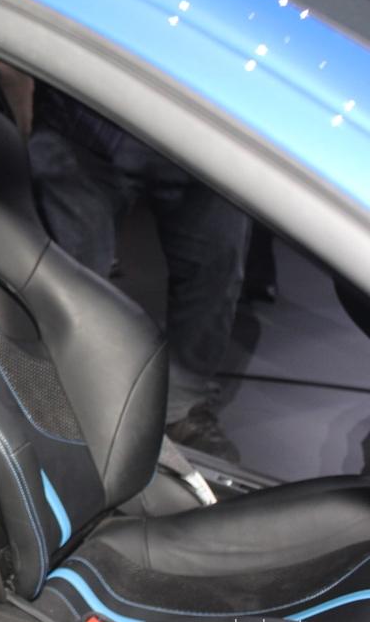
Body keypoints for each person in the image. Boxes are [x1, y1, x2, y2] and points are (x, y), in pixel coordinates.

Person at [22, 82, 249, 462]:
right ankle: (75, 407)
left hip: (203, 130)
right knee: (70, 282)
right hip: (85, 124)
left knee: (213, 274)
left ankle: (182, 409)